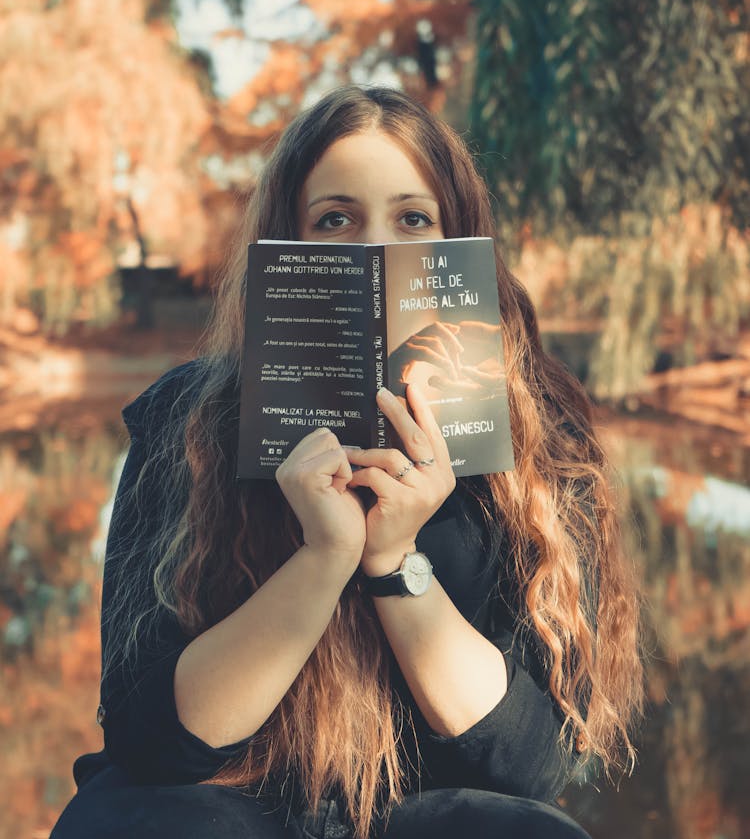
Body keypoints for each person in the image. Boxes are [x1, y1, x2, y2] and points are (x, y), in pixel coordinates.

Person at [51, 85, 643, 839]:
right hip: (221, 797)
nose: (372, 250)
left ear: (456, 242)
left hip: (426, 809)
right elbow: (152, 737)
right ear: (287, 243)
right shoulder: (185, 417)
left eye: (411, 218)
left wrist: (394, 558)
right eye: (336, 219)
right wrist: (327, 554)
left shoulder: (541, 434)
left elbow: (532, 765)